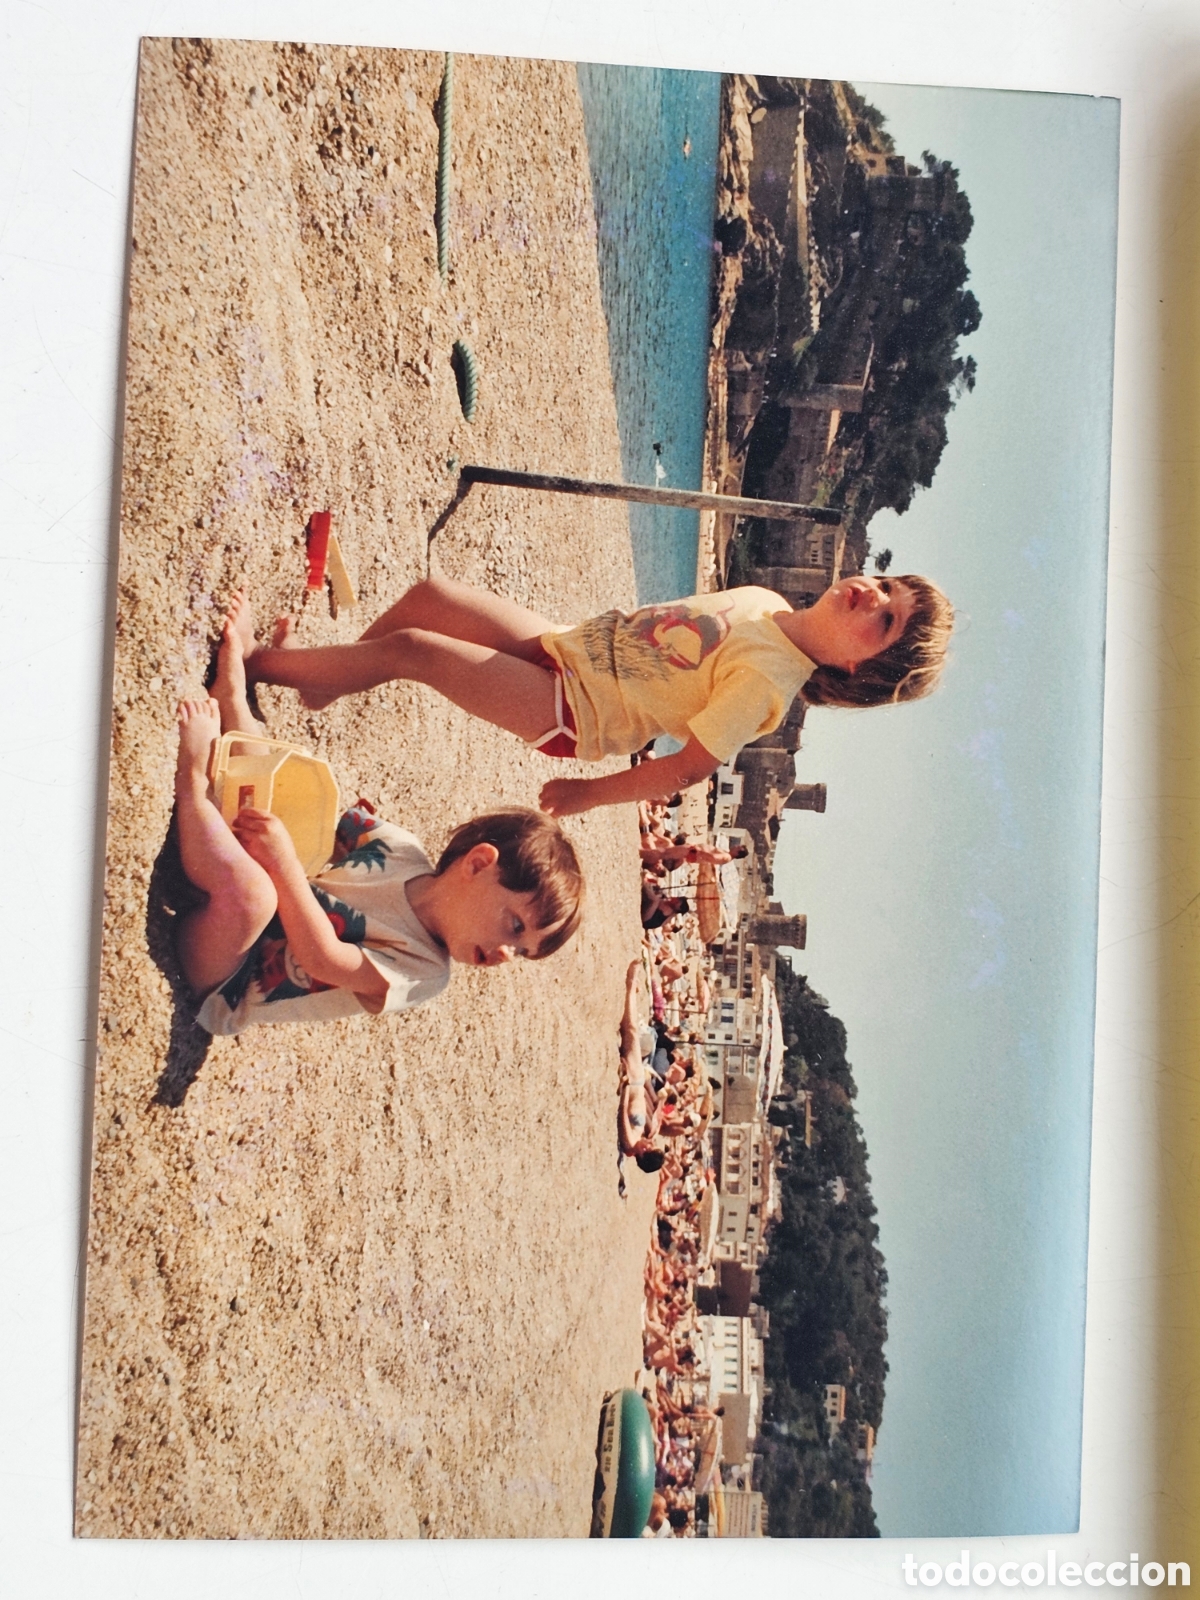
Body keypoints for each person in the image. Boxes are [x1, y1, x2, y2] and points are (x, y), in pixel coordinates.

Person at [172, 599, 583, 1036]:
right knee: (279, 784)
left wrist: (282, 863)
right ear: (479, 863)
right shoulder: (402, 850)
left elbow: (324, 959)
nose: (506, 955)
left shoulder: (425, 972)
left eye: (522, 951)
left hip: (227, 974)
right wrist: (282, 823)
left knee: (255, 895)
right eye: (515, 927)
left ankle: (191, 781)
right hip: (246, 881)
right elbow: (319, 817)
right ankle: (234, 699)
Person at [236, 570, 954, 817]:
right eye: (887, 586)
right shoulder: (766, 600)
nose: (872, 595)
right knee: (431, 597)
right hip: (567, 647)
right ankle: (325, 687)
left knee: (416, 653)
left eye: (885, 621)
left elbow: (685, 768)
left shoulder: (769, 683)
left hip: (571, 712)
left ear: (865, 672)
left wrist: (589, 795)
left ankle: (258, 665)